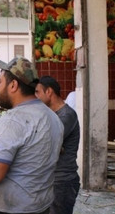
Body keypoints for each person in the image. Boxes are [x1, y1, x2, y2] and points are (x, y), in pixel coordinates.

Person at [0, 57, 64, 214]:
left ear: (13, 85)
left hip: (11, 209)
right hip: (41, 206)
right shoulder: (53, 117)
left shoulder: (12, 120)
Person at [35, 76, 80, 214]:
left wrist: (51, 146)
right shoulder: (50, 115)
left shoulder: (67, 115)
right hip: (50, 180)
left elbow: (44, 144)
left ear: (49, 92)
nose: (35, 97)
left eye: (38, 92)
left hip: (62, 182)